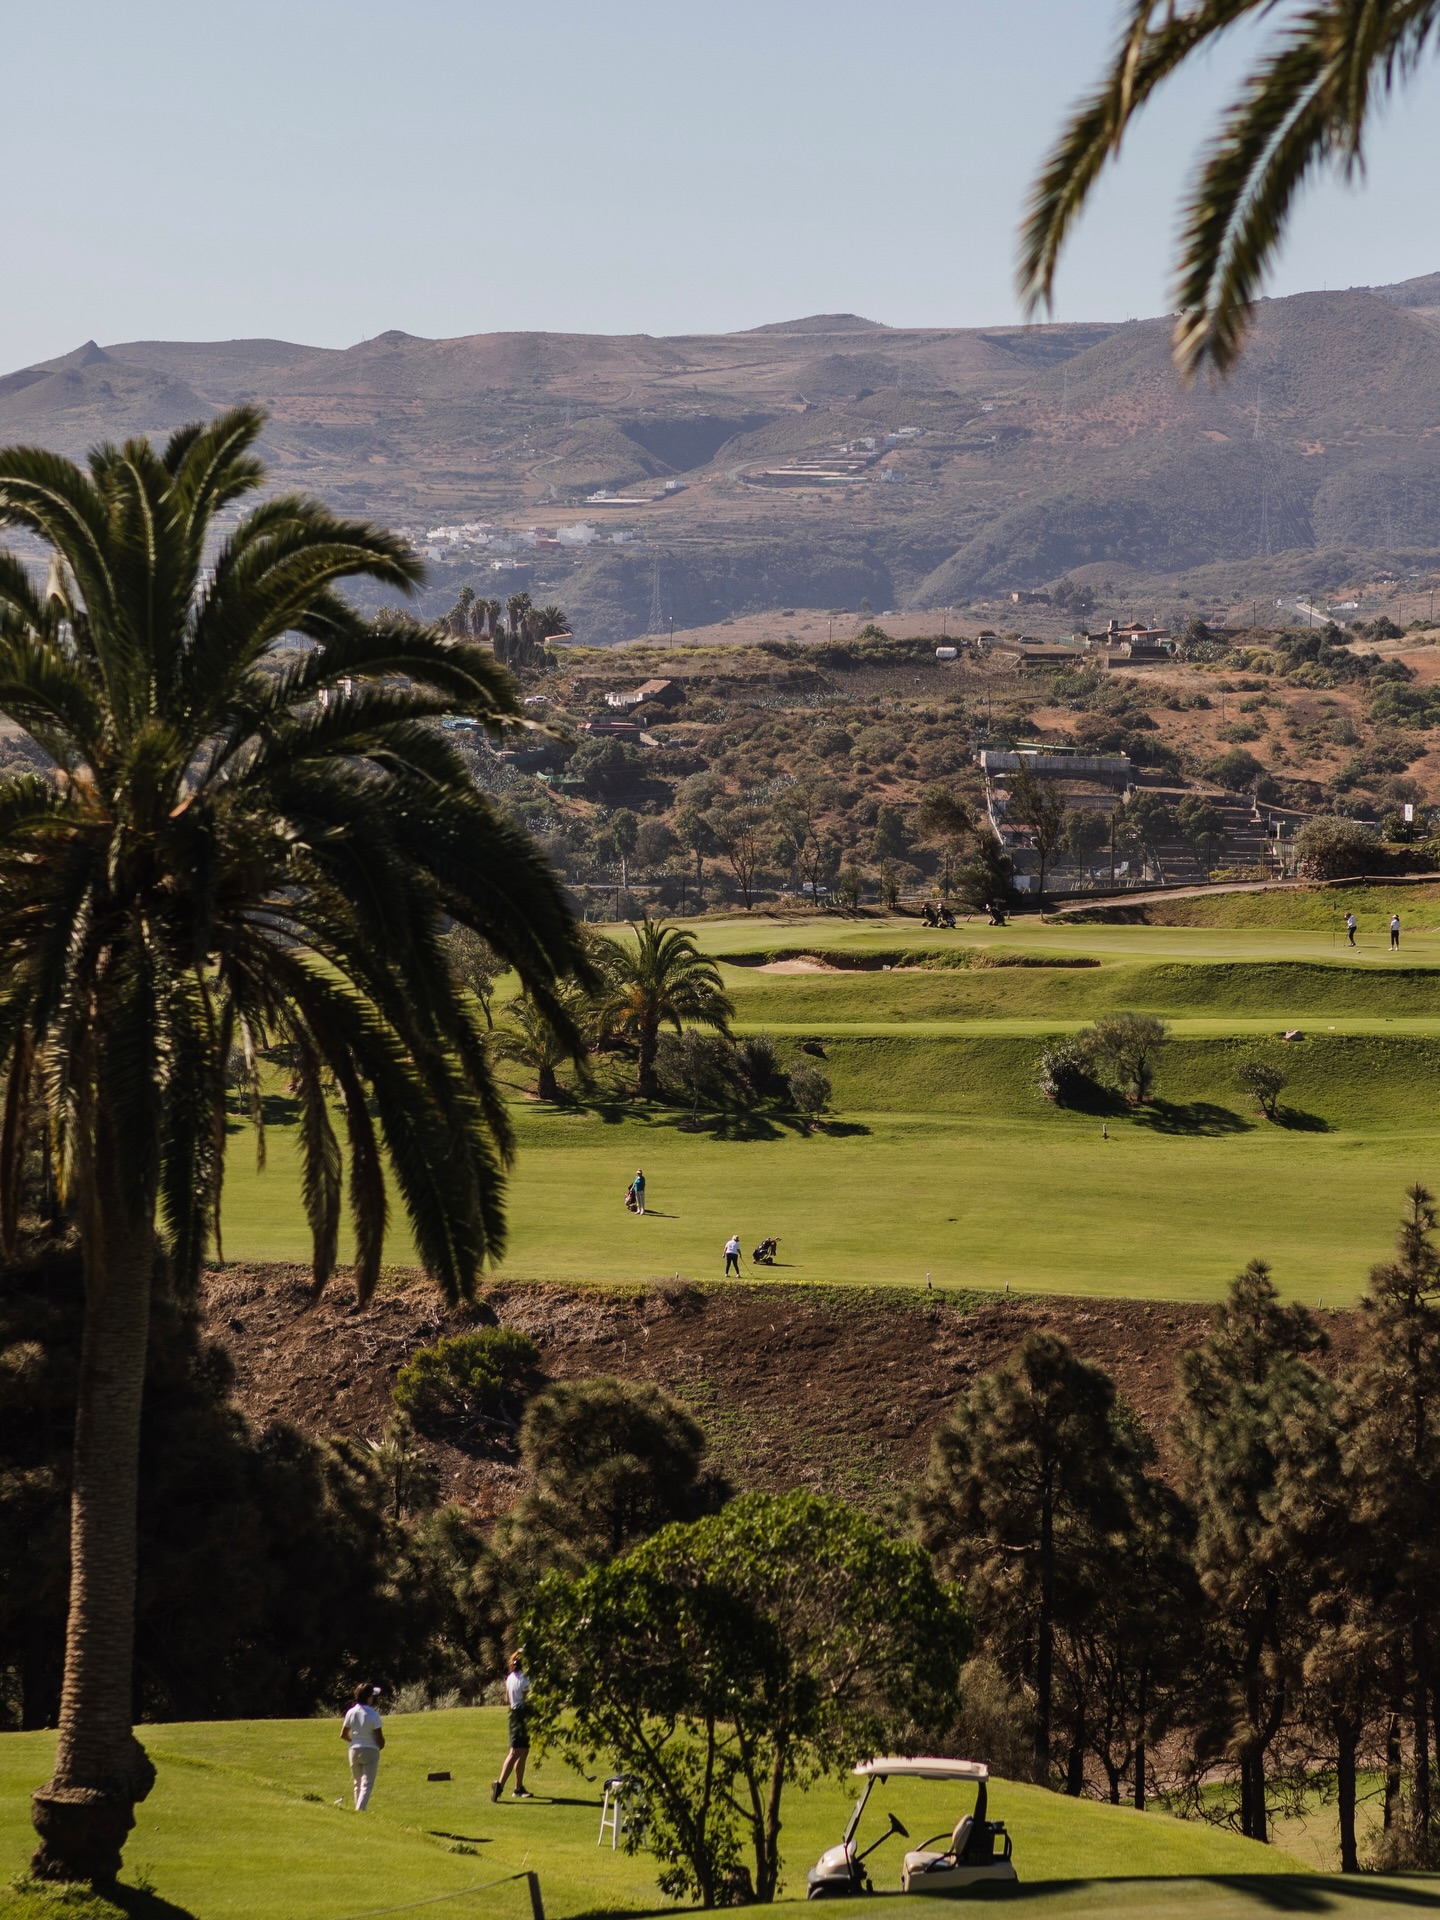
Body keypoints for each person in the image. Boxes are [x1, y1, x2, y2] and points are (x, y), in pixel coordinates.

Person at [492, 1653, 532, 1801]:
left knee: (524, 1751)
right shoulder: (525, 1679)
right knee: (515, 1752)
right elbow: (529, 1698)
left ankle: (518, 1788)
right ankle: (500, 1785)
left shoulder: (510, 1678)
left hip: (514, 1714)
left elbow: (507, 1699)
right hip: (521, 1715)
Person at [341, 1682, 384, 1812]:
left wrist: (354, 1741)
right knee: (367, 1784)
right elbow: (379, 1738)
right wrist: (380, 1745)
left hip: (354, 1750)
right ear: (369, 1697)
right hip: (370, 1750)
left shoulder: (351, 1712)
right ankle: (360, 1810)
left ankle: (358, 1810)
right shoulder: (373, 1715)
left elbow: (343, 1734)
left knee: (357, 1783)